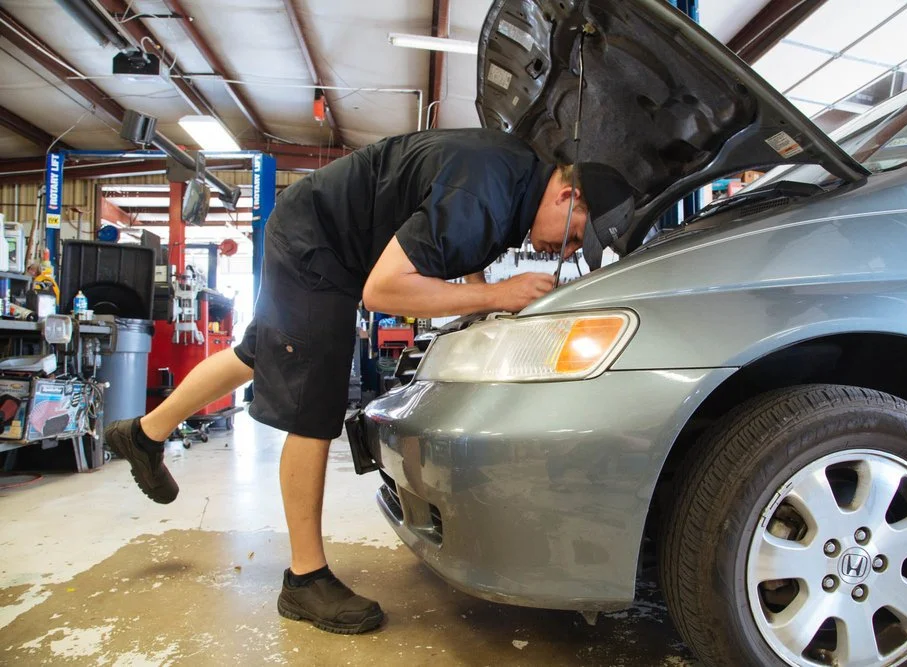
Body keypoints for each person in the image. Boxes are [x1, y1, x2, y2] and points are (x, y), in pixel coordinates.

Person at [104, 128, 636, 635]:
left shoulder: (515, 177)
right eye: (572, 237)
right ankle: (304, 581)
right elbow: (383, 292)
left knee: (259, 352)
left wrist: (481, 300)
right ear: (567, 196)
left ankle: (144, 434)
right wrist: (496, 297)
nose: (564, 251)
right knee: (316, 399)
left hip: (324, 231)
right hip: (320, 243)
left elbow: (464, 244)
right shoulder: (486, 195)